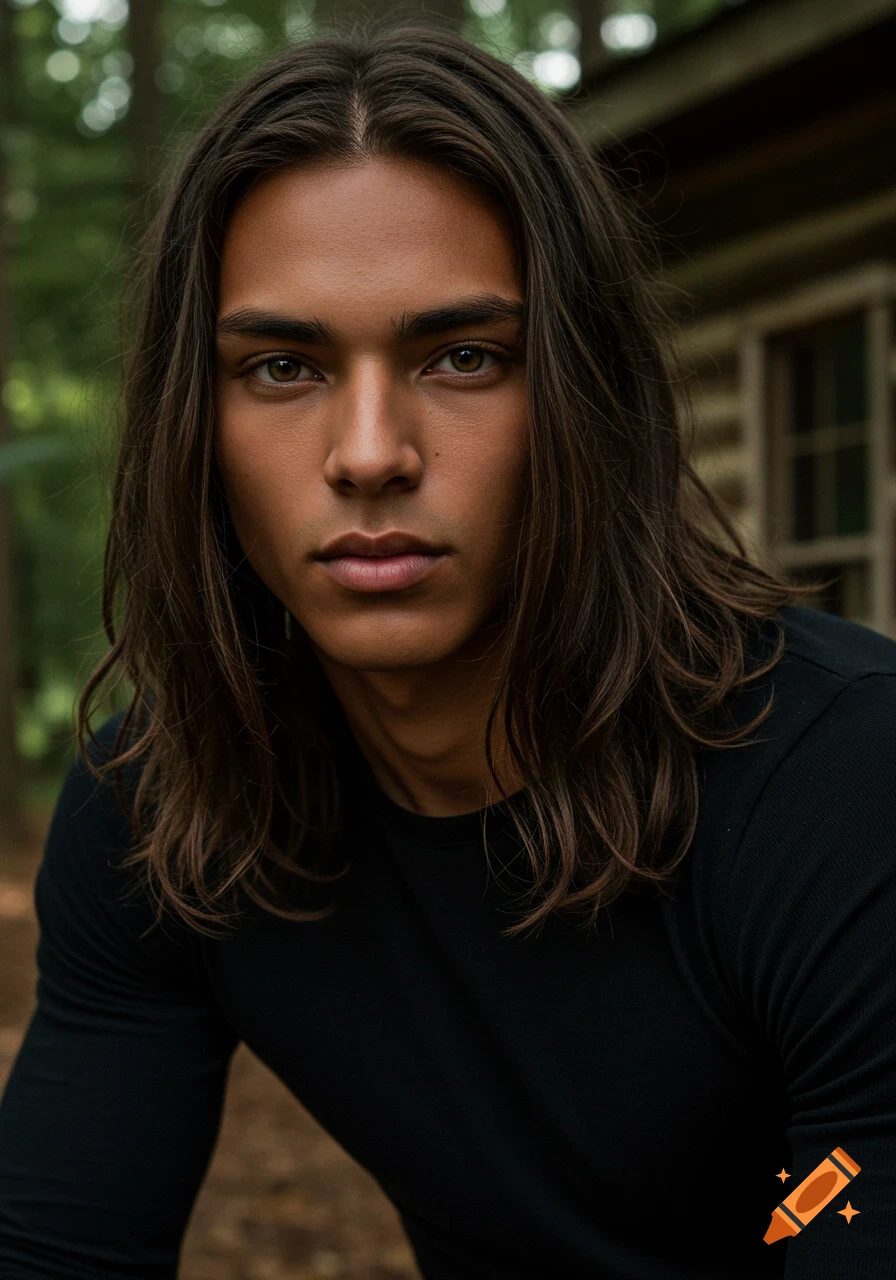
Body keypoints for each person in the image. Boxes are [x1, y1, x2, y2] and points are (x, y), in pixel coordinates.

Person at [0, 20, 894, 1280]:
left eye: (464, 355)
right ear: (191, 424)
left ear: (582, 395)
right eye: (281, 365)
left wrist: (823, 1215)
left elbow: (853, 1209)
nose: (370, 452)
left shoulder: (846, 786)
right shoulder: (169, 804)